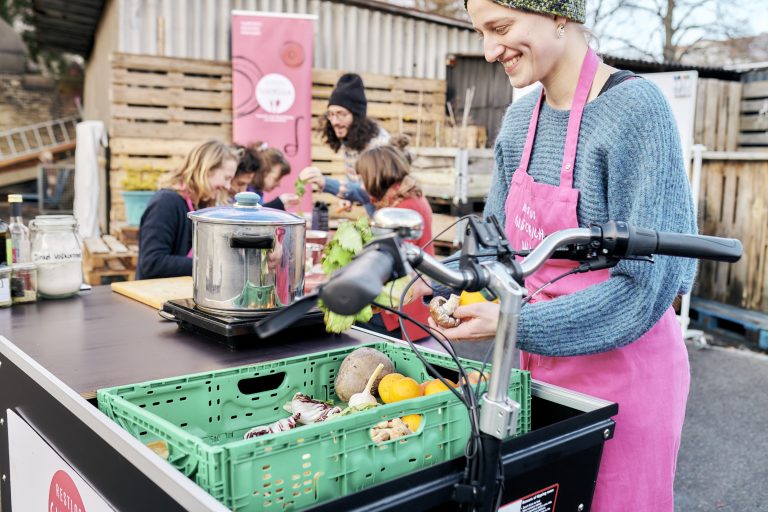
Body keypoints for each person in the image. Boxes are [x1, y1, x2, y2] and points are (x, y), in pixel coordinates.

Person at [416, 1, 698, 510]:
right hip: (534, 374)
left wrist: (512, 321)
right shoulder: (521, 117)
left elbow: (651, 287)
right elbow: (497, 250)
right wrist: (433, 281)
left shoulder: (635, 113)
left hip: (623, 380)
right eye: (481, 32)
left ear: (560, 16)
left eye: (501, 28)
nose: (489, 49)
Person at [355, 144, 434, 341]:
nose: (362, 185)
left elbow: (390, 257)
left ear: (375, 176)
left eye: (362, 178)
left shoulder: (405, 207)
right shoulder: (406, 196)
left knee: (352, 324)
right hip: (408, 302)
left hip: (403, 307)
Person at [136, 140, 240, 279]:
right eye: (226, 178)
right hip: (153, 297)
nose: (228, 186)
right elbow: (152, 263)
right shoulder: (165, 203)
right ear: (207, 170)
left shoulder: (201, 205)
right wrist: (210, 265)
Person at [299, 73, 390, 215]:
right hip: (377, 218)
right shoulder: (351, 140)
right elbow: (354, 178)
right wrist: (348, 197)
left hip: (391, 218)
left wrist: (325, 183)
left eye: (341, 114)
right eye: (331, 114)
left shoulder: (378, 145)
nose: (334, 121)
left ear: (357, 116)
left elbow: (370, 192)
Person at [231, 142, 298, 210]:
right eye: (276, 179)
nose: (278, 184)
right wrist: (278, 204)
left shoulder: (257, 192)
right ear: (263, 172)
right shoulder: (247, 191)